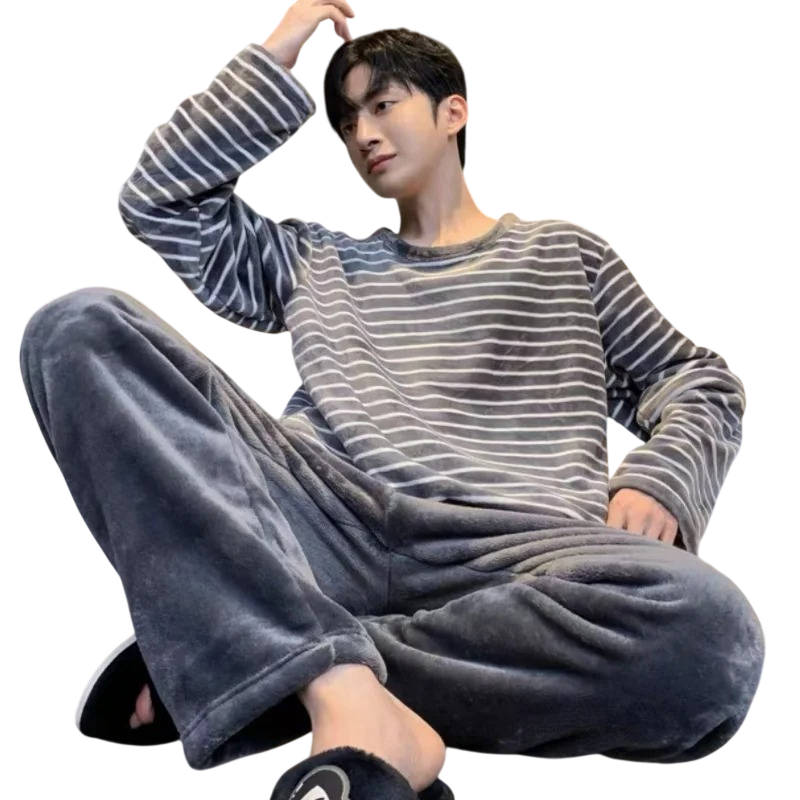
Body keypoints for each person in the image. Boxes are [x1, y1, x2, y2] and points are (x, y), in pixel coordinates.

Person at [18, 1, 764, 795]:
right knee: (77, 327)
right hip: (322, 525)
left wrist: (661, 477)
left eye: (382, 105)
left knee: (710, 639)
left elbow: (698, 380)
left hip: (512, 557)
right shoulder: (313, 260)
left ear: (453, 112)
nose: (363, 134)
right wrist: (276, 56)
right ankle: (299, 666)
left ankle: (265, 657)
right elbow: (160, 201)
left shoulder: (562, 255)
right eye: (347, 122)